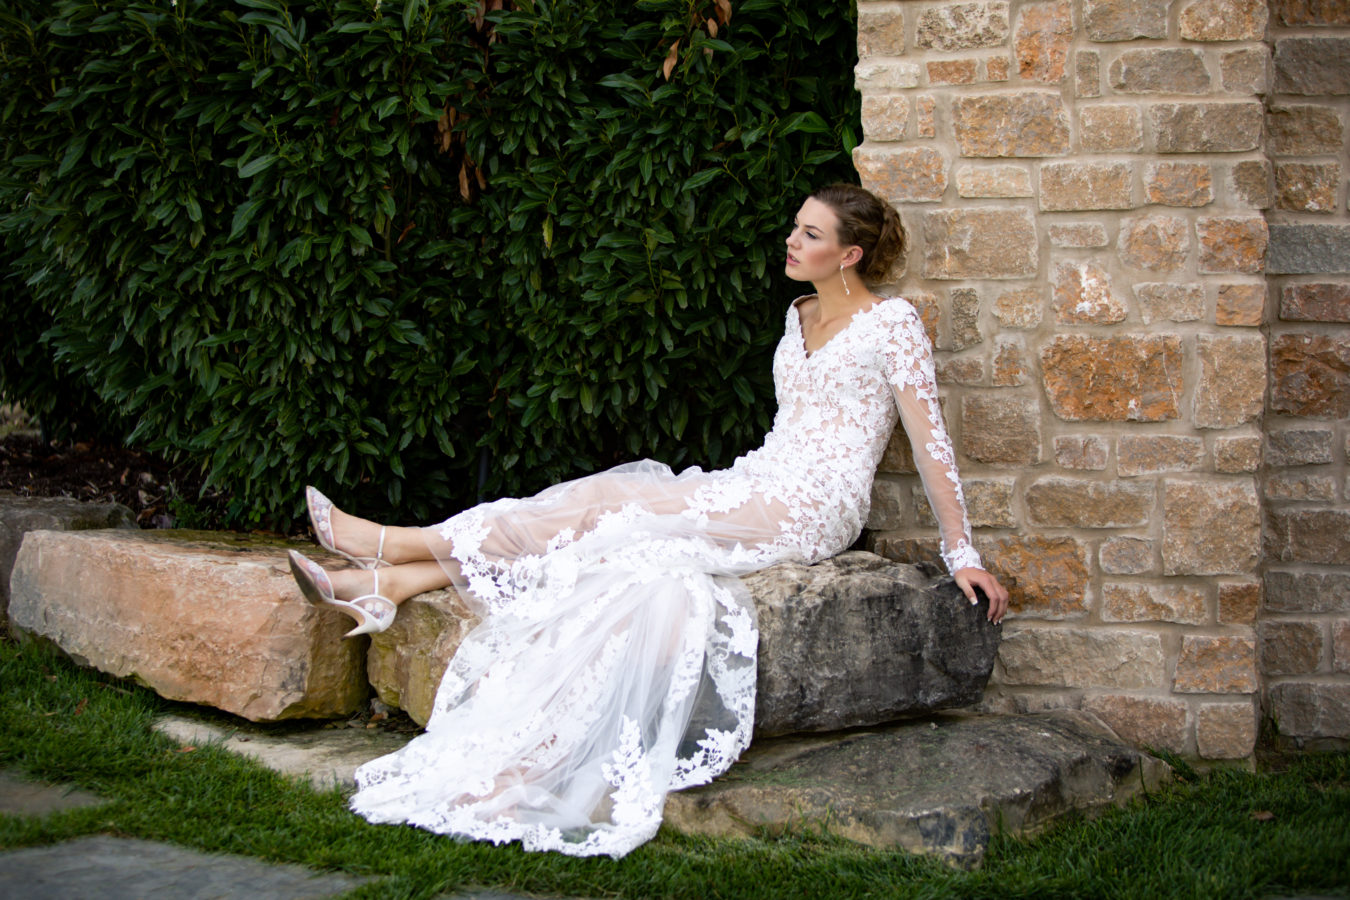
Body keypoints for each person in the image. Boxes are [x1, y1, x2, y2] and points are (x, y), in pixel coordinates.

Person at [288, 182, 1010, 858]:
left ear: (849, 254)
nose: (790, 240)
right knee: (600, 509)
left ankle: (388, 550)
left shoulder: (892, 323)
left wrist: (961, 553)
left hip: (811, 507)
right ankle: (391, 582)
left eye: (809, 232)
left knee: (619, 517)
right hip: (757, 478)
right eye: (796, 225)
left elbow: (930, 442)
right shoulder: (799, 317)